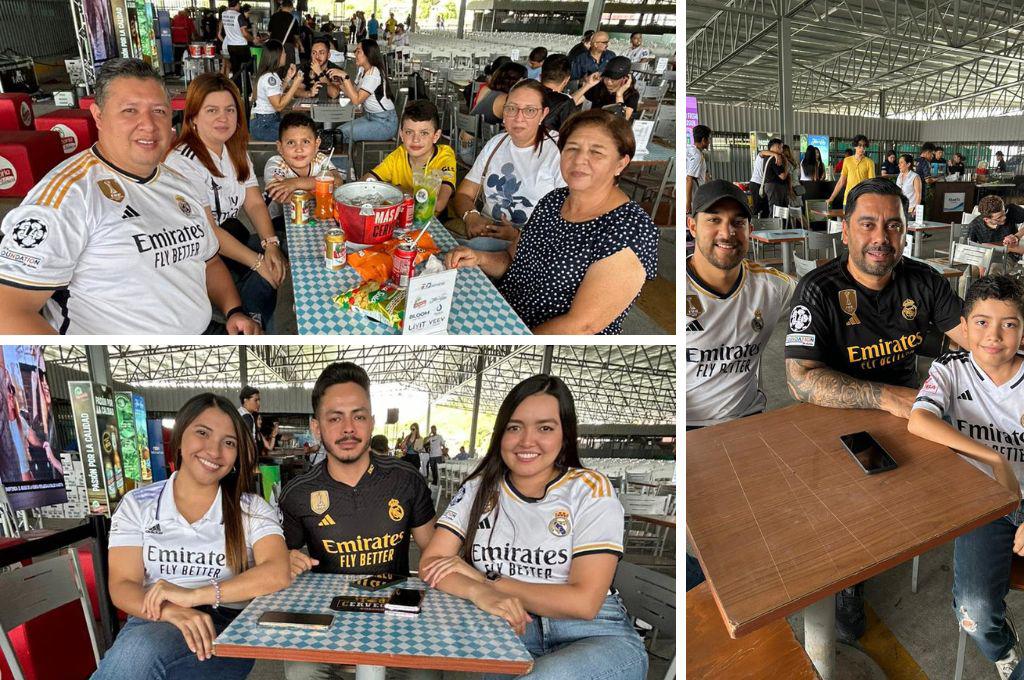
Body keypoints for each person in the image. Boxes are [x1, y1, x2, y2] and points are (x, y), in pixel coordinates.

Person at [785, 177, 967, 642]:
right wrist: (886, 397)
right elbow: (800, 380)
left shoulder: (923, 280)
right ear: (845, 230)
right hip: (835, 418)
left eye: (893, 225)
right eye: (867, 224)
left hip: (906, 416)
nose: (880, 238)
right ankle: (848, 580)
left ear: (906, 231)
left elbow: (976, 338)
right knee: (848, 507)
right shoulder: (818, 289)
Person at [0, 58, 258, 335]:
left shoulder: (180, 184)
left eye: (158, 111)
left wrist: (233, 310)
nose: (148, 124)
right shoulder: (67, 197)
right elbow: (8, 311)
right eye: (130, 110)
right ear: (98, 116)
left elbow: (209, 261)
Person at [420, 375, 648, 680]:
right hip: (511, 627)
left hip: (595, 634)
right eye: (515, 427)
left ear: (565, 435)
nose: (527, 441)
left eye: (545, 428)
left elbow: (584, 603)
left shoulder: (589, 489)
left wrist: (487, 581)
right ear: (500, 434)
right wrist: (478, 592)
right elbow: (432, 563)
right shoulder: (479, 489)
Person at [91, 393, 290, 680]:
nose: (214, 450)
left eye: (229, 442)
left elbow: (277, 571)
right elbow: (122, 585)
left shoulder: (251, 509)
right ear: (180, 437)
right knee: (141, 652)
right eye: (203, 433)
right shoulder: (138, 504)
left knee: (140, 654)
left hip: (224, 625)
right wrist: (172, 611)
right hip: (154, 617)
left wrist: (193, 596)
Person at [278, 363, 435, 680]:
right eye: (335, 418)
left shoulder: (406, 480)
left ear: (372, 422)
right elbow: (278, 558)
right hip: (328, 616)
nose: (348, 429)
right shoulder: (298, 493)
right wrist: (285, 559)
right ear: (317, 427)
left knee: (426, 672)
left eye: (358, 416)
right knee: (299, 669)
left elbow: (434, 552)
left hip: (395, 615)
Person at [447, 110, 658, 335]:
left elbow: (581, 326)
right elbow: (514, 261)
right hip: (503, 314)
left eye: (596, 152)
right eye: (572, 148)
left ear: (620, 163)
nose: (579, 160)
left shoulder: (631, 230)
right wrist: (479, 258)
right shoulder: (553, 201)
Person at [907, 275, 1024, 680]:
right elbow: (919, 419)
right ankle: (1004, 648)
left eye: (1009, 324)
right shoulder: (950, 368)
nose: (994, 336)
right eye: (982, 322)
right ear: (963, 325)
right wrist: (994, 459)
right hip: (983, 503)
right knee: (974, 612)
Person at [163, 74, 287, 332]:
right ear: (193, 117)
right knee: (264, 280)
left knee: (280, 255)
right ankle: (253, 325)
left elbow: (254, 202)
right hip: (200, 259)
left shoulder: (233, 150)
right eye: (212, 110)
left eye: (230, 110)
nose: (223, 118)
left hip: (227, 241)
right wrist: (258, 262)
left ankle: (262, 322)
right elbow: (208, 231)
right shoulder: (182, 162)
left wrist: (271, 245)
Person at [686, 180, 795, 427]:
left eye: (738, 222)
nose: (727, 233)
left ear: (749, 230)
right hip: (687, 426)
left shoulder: (770, 287)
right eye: (714, 220)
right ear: (692, 226)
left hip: (747, 420)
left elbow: (819, 295)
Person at [451, 79, 565, 251]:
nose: (519, 118)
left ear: (543, 114)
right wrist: (472, 217)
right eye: (511, 108)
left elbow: (568, 221)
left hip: (531, 248)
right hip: (485, 234)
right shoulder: (496, 143)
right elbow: (464, 194)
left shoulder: (559, 152)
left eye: (530, 110)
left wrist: (518, 235)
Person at [365, 100, 456, 217]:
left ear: (436, 136)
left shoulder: (445, 156)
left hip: (434, 220)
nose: (415, 139)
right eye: (409, 132)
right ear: (401, 134)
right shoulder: (400, 153)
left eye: (424, 133)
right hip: (402, 217)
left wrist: (396, 189)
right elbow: (367, 181)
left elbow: (438, 204)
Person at [262, 113, 344, 232]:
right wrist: (320, 190)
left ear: (316, 144)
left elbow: (337, 181)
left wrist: (295, 183)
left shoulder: (320, 159)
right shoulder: (276, 163)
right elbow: (281, 196)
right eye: (291, 142)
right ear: (280, 147)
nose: (299, 149)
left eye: (305, 142)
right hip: (279, 222)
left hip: (314, 217)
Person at [332, 39, 398, 144]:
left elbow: (356, 100)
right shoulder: (362, 70)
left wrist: (345, 77)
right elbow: (354, 94)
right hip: (370, 117)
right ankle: (350, 154)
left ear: (368, 54)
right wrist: (340, 84)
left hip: (385, 123)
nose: (355, 54)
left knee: (340, 134)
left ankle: (346, 155)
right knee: (338, 131)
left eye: (358, 51)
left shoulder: (373, 74)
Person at [249, 40, 303, 142]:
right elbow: (278, 106)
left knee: (298, 127)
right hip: (264, 125)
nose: (285, 55)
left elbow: (276, 94)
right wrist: (295, 85)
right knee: (298, 134)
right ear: (277, 56)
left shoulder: (270, 75)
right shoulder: (270, 78)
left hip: (263, 121)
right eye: (283, 52)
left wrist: (288, 78)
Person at [572, 56, 639, 121]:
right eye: (606, 77)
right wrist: (588, 85)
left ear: (625, 79)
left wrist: (619, 95)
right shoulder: (599, 87)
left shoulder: (631, 94)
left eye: (614, 79)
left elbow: (623, 121)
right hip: (595, 124)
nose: (609, 82)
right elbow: (571, 103)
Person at [967, 195, 1024, 268]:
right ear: (986, 219)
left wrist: (1017, 236)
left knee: (992, 269)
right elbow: (969, 249)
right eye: (999, 217)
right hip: (985, 256)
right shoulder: (974, 225)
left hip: (1009, 256)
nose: (1004, 217)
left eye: (1004, 213)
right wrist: (980, 263)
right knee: (967, 275)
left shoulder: (1011, 210)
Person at [471, 61, 528, 126]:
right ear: (520, 81)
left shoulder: (489, 92)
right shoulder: (505, 100)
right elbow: (517, 124)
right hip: (481, 132)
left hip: (472, 131)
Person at [827, 134, 875, 207]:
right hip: (848, 199)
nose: (862, 148)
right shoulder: (847, 161)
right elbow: (841, 182)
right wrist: (831, 198)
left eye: (864, 146)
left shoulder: (870, 162)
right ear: (855, 146)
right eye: (860, 145)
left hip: (863, 200)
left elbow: (872, 183)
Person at [217, 0, 254, 83]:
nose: (239, 6)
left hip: (230, 46)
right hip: (241, 46)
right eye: (239, 4)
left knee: (235, 70)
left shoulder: (224, 14)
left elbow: (221, 29)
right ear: (236, 4)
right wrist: (253, 39)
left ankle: (237, 87)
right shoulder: (238, 15)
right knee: (245, 69)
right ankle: (246, 89)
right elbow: (244, 33)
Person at [539, 55, 576, 133]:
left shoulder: (526, 91)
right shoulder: (565, 102)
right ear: (567, 80)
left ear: (540, 76)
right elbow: (569, 132)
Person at [686, 124, 711, 211]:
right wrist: (688, 204)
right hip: (694, 198)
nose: (709, 142)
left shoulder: (689, 149)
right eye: (708, 139)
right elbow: (689, 179)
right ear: (704, 140)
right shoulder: (697, 156)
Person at [762, 136, 789, 216]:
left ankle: (779, 224)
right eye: (779, 147)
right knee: (775, 211)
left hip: (774, 187)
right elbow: (783, 176)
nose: (781, 149)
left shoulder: (768, 156)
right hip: (775, 187)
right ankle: (774, 224)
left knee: (778, 211)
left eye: (781, 147)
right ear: (773, 147)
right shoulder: (775, 158)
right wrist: (786, 165)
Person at [896, 153, 922, 217]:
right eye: (899, 163)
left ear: (908, 164)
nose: (899, 165)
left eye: (901, 162)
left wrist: (916, 210)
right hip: (899, 209)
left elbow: (918, 195)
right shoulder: (899, 176)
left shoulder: (915, 177)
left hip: (910, 211)